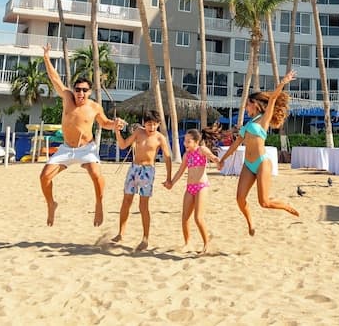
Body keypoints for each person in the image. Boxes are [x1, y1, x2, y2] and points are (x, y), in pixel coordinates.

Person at [39, 44, 124, 227]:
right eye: (78, 89)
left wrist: (115, 124)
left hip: (86, 148)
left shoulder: (94, 107)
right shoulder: (67, 98)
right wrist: (46, 57)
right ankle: (51, 204)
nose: (80, 93)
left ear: (90, 92)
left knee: (96, 174)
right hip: (66, 149)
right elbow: (55, 79)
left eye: (84, 90)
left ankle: (99, 204)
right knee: (44, 176)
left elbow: (105, 123)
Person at [217, 70, 299, 235]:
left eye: (247, 104)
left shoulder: (264, 119)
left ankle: (285, 206)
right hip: (248, 165)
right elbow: (235, 145)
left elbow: (273, 98)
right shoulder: (247, 125)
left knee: (264, 202)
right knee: (240, 199)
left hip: (262, 163)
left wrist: (283, 82)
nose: (246, 107)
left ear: (254, 104)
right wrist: (222, 159)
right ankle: (251, 224)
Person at [112, 110, 172, 252]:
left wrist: (169, 178)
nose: (152, 127)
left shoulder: (160, 138)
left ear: (158, 124)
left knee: (143, 205)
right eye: (149, 124)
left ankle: (145, 238)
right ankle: (121, 233)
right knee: (126, 201)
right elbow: (123, 145)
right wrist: (117, 132)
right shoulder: (139, 132)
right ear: (144, 123)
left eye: (154, 124)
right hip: (134, 168)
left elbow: (167, 157)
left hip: (147, 171)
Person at [165, 129, 220, 253]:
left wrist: (217, 161)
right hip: (190, 188)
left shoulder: (201, 150)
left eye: (188, 141)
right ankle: (188, 243)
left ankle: (206, 244)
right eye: (185, 141)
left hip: (201, 186)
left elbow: (212, 156)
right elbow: (180, 171)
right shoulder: (186, 155)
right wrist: (171, 183)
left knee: (198, 218)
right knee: (185, 217)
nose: (185, 143)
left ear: (196, 142)